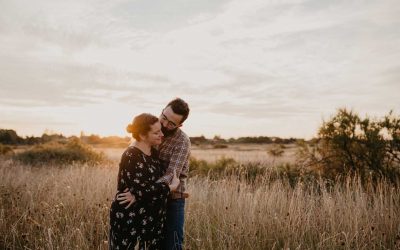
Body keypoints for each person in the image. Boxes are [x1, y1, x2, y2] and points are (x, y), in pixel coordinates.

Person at [119, 98, 191, 250]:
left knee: (173, 243)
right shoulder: (149, 129)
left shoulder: (182, 141)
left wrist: (139, 193)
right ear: (162, 110)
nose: (165, 124)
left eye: (171, 123)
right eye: (164, 117)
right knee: (150, 243)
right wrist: (139, 192)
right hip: (148, 198)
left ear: (180, 125)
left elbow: (172, 176)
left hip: (172, 199)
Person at [109, 113, 180, 250]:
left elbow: (144, 190)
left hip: (151, 222)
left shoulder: (153, 153)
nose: (162, 134)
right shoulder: (131, 155)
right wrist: (170, 188)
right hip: (132, 221)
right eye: (156, 132)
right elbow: (143, 190)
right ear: (142, 135)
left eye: (160, 130)